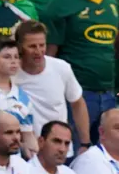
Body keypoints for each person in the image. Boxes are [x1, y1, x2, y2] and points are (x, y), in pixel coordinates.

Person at [42, 0, 119, 142]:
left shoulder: (111, 2)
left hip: (109, 94)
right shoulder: (60, 4)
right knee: (78, 152)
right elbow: (49, 56)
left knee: (107, 158)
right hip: (77, 96)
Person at [12, 20, 91, 156]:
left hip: (60, 151)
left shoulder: (61, 68)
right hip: (25, 152)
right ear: (19, 47)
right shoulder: (11, 73)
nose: (38, 51)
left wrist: (85, 143)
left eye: (42, 45)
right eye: (32, 46)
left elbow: (77, 103)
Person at [0, 37, 37, 158]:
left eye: (16, 57)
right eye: (7, 57)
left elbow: (27, 136)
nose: (14, 61)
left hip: (12, 165)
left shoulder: (23, 98)